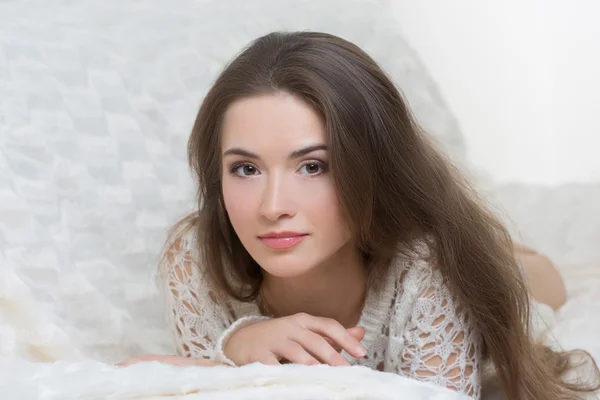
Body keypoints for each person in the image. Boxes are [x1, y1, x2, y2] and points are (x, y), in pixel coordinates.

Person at [117, 32, 599, 399]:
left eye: (313, 166)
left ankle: (502, 249)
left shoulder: (429, 272)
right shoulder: (195, 260)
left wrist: (236, 364)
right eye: (245, 168)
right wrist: (240, 345)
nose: (272, 207)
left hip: (499, 272)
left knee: (526, 273)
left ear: (370, 167)